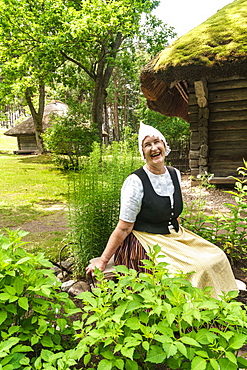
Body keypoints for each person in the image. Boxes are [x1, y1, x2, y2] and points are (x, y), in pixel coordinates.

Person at [86, 122, 238, 298]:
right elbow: (124, 227)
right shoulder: (135, 182)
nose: (153, 148)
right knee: (193, 268)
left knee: (217, 255)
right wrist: (103, 260)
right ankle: (193, 318)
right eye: (147, 145)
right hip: (144, 239)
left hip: (172, 234)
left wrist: (180, 238)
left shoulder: (174, 173)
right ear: (143, 153)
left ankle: (221, 305)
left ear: (164, 146)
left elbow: (173, 212)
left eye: (157, 142)